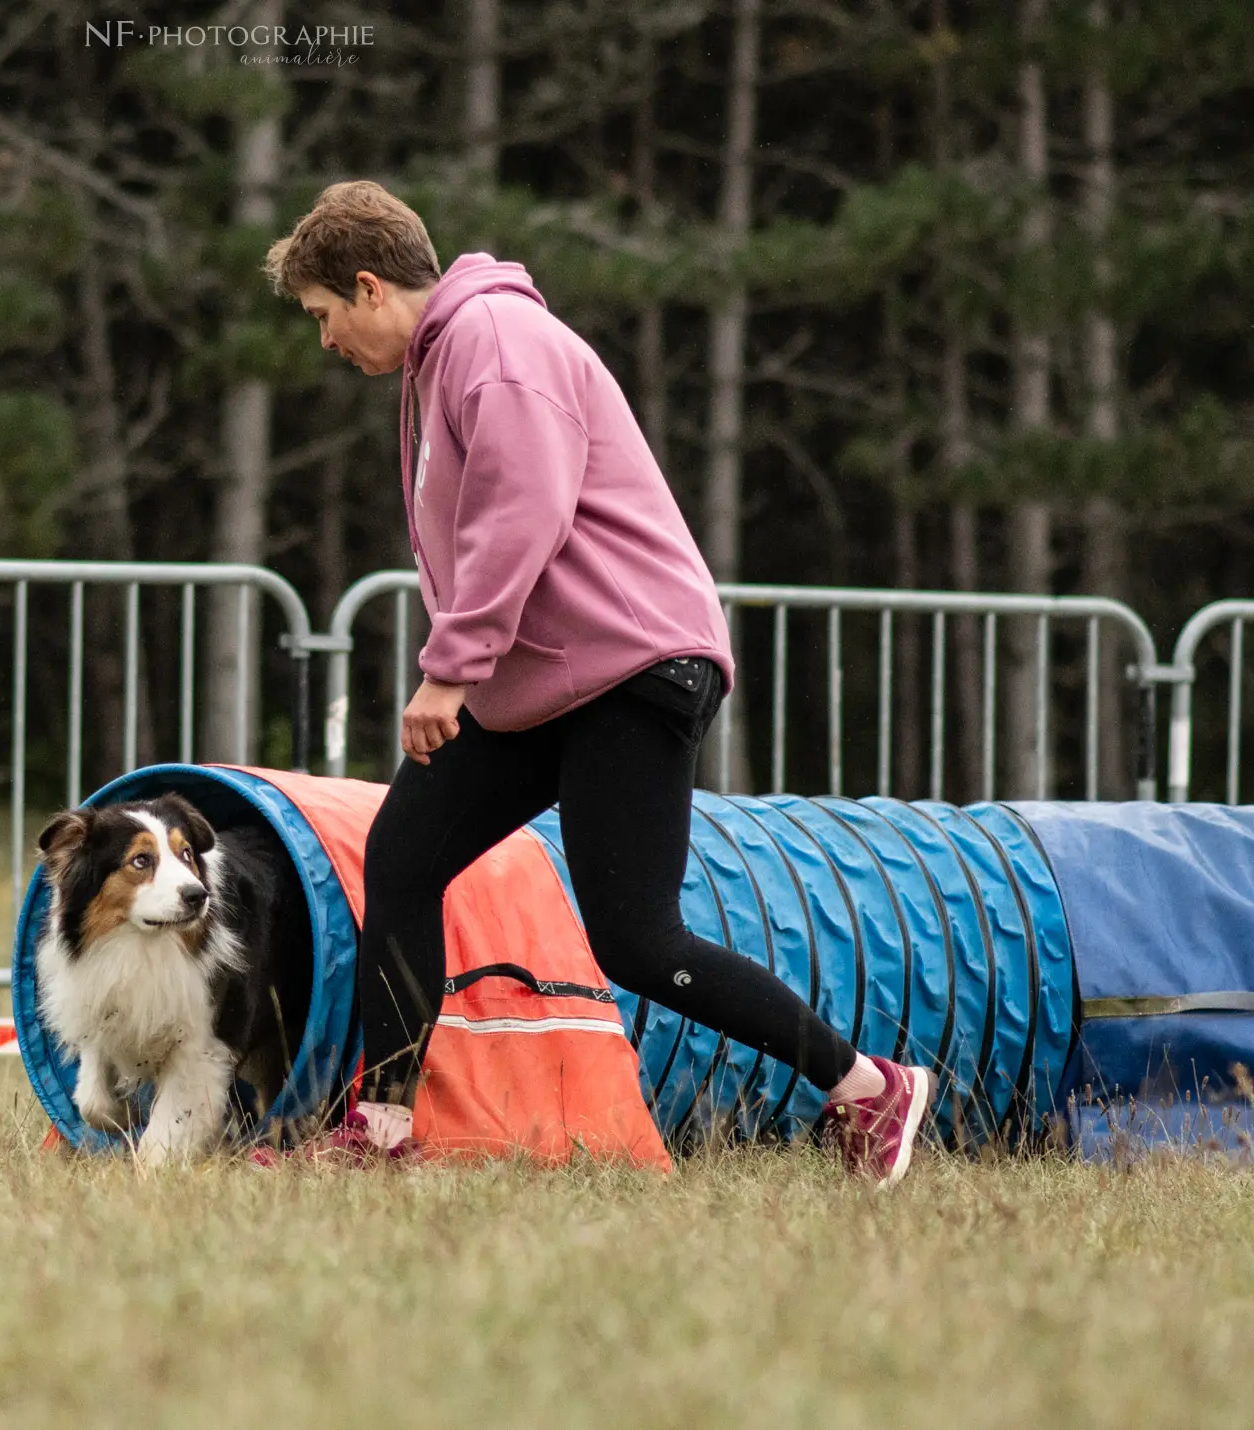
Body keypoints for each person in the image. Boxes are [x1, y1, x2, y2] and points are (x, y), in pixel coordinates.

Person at [260, 180, 936, 1186]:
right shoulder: (449, 357)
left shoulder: (493, 342)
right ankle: (383, 1129)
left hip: (628, 668)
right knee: (402, 854)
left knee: (633, 938)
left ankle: (867, 1086)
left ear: (365, 287)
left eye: (320, 315)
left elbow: (518, 513)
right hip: (548, 679)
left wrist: (447, 672)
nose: (323, 342)